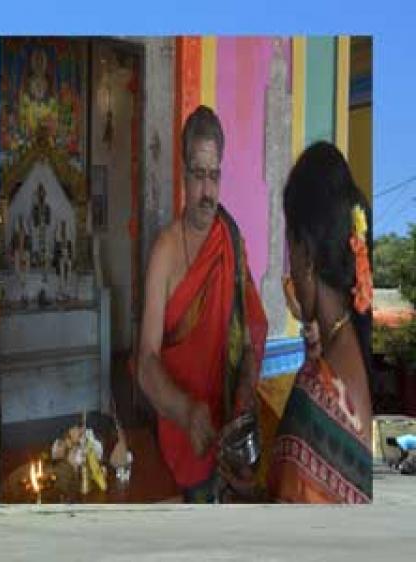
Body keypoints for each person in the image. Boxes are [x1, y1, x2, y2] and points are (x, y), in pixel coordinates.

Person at [135, 105, 268, 503]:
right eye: (198, 175)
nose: (207, 191)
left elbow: (251, 334)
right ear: (183, 174)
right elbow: (145, 361)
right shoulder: (165, 252)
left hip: (227, 436)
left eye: (214, 176)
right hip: (181, 442)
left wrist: (244, 389)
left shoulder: (231, 242)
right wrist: (185, 411)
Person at [270, 141, 373, 503]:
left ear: (308, 255)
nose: (291, 269)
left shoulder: (313, 399)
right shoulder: (360, 339)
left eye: (291, 249)